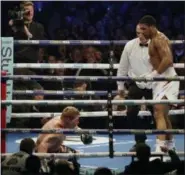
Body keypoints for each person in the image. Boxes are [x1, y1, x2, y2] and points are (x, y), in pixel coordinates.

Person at [138, 15, 179, 153]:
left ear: (151, 27)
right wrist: (152, 74)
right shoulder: (153, 40)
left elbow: (168, 60)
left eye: (144, 29)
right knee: (163, 114)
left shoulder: (159, 39)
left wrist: (154, 75)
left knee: (158, 112)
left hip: (167, 79)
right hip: (161, 80)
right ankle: (170, 146)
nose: (142, 32)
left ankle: (159, 149)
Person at [117, 24, 153, 151]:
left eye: (143, 33)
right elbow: (123, 67)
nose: (140, 36)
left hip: (154, 82)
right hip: (135, 83)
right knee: (131, 112)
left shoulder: (157, 44)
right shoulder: (130, 45)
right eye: (138, 33)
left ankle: (164, 143)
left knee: (159, 113)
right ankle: (140, 142)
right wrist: (120, 85)